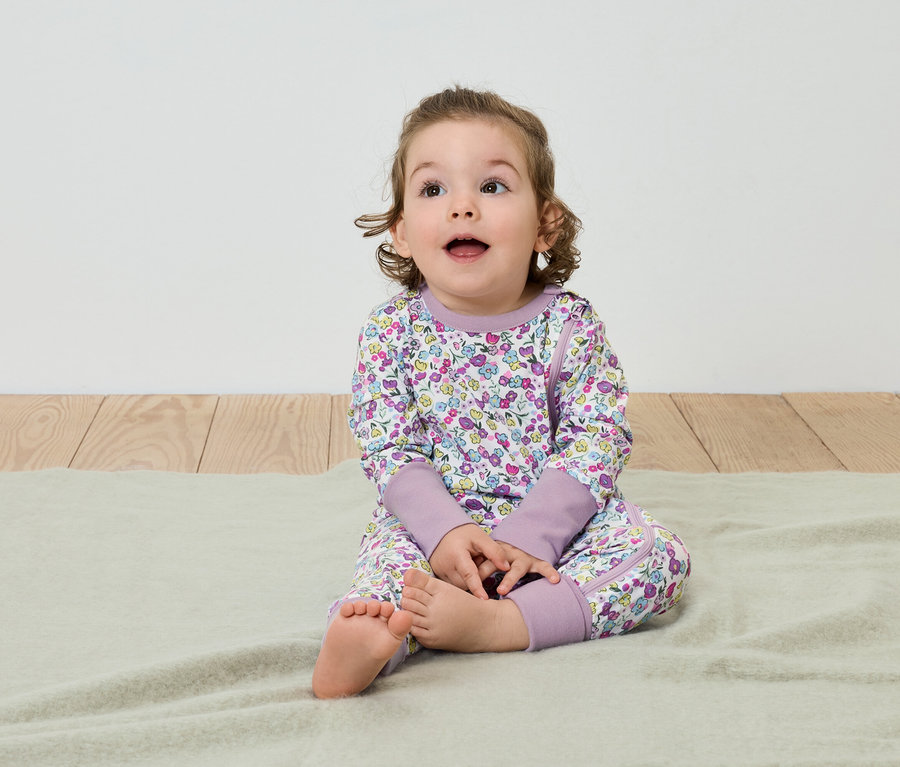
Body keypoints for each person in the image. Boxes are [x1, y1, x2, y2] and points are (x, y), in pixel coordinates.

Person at [312, 86, 690, 699]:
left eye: (492, 186)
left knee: (655, 557)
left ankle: (502, 624)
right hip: (434, 525)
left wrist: (531, 535)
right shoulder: (392, 332)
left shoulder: (569, 326)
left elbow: (595, 440)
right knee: (390, 572)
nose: (462, 207)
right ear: (402, 231)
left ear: (545, 223)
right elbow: (390, 448)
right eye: (433, 189)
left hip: (556, 527)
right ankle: (374, 634)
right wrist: (443, 533)